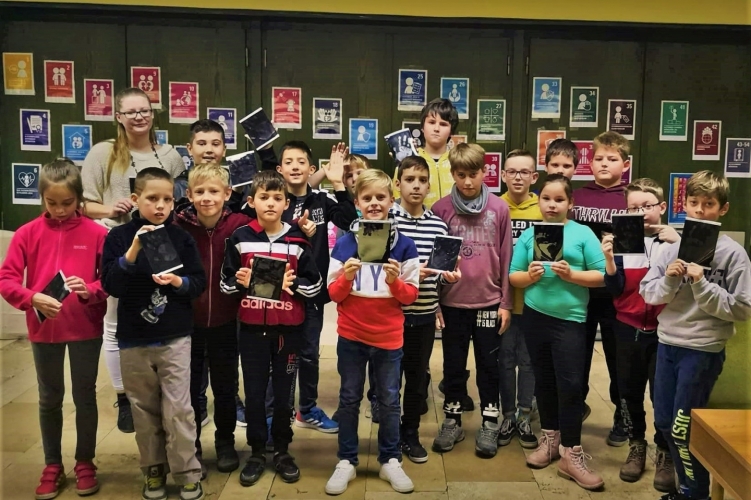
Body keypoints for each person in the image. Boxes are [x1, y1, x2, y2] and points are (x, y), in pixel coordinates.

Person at [0, 159, 109, 500]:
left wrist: (89, 290)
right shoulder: (27, 233)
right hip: (43, 330)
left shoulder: (97, 234)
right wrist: (31, 298)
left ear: (80, 198)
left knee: (84, 395)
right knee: (49, 398)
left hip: (85, 329)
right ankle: (52, 464)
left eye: (67, 202)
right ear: (42, 199)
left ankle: (85, 461)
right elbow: (6, 279)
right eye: (52, 203)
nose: (60, 210)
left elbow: (109, 281)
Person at [640, 170, 751, 500]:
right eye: (694, 203)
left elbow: (743, 308)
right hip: (667, 344)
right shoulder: (670, 248)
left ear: (723, 208)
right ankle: (686, 488)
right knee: (664, 423)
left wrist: (702, 284)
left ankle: (695, 493)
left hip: (703, 349)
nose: (700, 210)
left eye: (709, 204)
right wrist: (670, 279)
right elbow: (649, 294)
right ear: (683, 205)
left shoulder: (733, 253)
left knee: (682, 427)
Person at [82, 87, 185, 434]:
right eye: (131, 112)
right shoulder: (103, 153)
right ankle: (124, 397)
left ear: (152, 114)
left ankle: (160, 390)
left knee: (160, 313)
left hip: (161, 244)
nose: (139, 117)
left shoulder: (170, 155)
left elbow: (176, 199)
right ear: (119, 117)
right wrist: (110, 208)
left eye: (145, 111)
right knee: (115, 322)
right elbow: (84, 204)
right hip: (120, 240)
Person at [101, 167, 207, 500]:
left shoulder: (181, 237)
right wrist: (133, 251)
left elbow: (198, 282)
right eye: (152, 198)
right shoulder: (118, 238)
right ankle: (153, 470)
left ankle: (187, 472)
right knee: (144, 411)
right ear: (136, 199)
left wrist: (178, 282)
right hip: (134, 340)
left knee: (179, 410)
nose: (160, 206)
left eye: (167, 200)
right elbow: (111, 285)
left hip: (175, 338)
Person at [220, 170, 322, 486]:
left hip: (287, 332)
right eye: (264, 197)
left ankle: (281, 449)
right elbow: (225, 285)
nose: (270, 203)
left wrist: (294, 285)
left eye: (277, 198)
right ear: (252, 202)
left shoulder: (298, 241)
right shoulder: (240, 239)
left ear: (286, 204)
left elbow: (316, 285)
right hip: (251, 331)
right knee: (253, 394)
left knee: (282, 394)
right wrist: (240, 283)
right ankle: (256, 452)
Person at [324, 169, 420, 495]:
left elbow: (410, 296)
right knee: (349, 398)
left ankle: (390, 459)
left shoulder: (404, 245)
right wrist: (347, 277)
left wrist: (395, 282)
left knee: (390, 400)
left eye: (381, 197)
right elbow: (334, 294)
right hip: (351, 336)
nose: (374, 203)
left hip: (389, 338)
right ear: (357, 203)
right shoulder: (345, 244)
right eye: (367, 198)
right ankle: (346, 460)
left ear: (392, 201)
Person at [251, 141, 357, 433]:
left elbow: (351, 221)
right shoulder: (273, 200)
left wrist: (338, 183)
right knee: (276, 353)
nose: (295, 167)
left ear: (311, 169)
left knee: (309, 353)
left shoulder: (321, 200)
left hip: (311, 290)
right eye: (289, 162)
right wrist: (298, 230)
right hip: (275, 290)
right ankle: (272, 412)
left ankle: (307, 409)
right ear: (279, 169)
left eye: (301, 162)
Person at [509, 174, 606, 491]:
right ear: (539, 201)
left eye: (559, 199)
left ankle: (571, 453)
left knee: (571, 385)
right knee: (544, 381)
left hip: (571, 320)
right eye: (546, 199)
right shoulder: (530, 235)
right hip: (535, 317)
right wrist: (530, 276)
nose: (552, 205)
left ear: (570, 203)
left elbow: (601, 276)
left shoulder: (582, 233)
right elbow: (513, 276)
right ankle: (550, 440)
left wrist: (572, 274)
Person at [431, 143, 513, 458]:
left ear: (485, 172)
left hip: (489, 302)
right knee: (453, 364)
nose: (467, 181)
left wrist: (505, 302)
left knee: (489, 364)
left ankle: (490, 421)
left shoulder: (499, 208)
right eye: (461, 175)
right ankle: (452, 419)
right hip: (452, 303)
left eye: (473, 174)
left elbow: (506, 257)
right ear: (453, 173)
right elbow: (435, 262)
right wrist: (436, 302)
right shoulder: (441, 209)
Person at [174, 160, 254, 478]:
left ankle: (225, 443)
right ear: (189, 195)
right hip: (187, 323)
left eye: (213, 191)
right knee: (191, 389)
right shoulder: (178, 226)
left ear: (227, 194)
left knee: (225, 387)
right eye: (200, 192)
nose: (206, 198)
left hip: (226, 321)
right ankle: (191, 446)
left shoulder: (240, 225)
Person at [600, 178, 679, 490]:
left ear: (662, 207)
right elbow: (616, 288)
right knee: (628, 391)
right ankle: (636, 445)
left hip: (666, 331)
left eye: (647, 206)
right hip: (627, 327)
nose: (641, 213)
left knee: (663, 395)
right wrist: (609, 260)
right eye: (633, 208)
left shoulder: (676, 240)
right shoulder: (624, 240)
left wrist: (678, 243)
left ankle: (665, 451)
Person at [392, 155, 461, 463]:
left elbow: (440, 273)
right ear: (398, 184)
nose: (416, 186)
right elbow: (377, 268)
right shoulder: (387, 220)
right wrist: (410, 275)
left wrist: (448, 277)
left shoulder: (438, 225)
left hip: (423, 314)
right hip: (390, 316)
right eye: (410, 180)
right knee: (389, 382)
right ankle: (390, 438)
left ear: (429, 186)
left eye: (422, 181)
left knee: (417, 380)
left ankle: (410, 434)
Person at [571, 130, 630, 439]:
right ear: (590, 163)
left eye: (612, 159)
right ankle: (575, 407)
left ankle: (623, 415)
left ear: (625, 164)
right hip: (578, 289)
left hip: (616, 292)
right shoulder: (577, 196)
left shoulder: (630, 198)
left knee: (617, 356)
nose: (604, 163)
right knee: (576, 354)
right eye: (599, 158)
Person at [498, 149, 541, 449]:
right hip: (503, 300)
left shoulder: (543, 209)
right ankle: (507, 415)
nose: (517, 177)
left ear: (534, 177)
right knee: (504, 360)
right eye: (512, 171)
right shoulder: (495, 206)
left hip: (534, 301)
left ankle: (525, 414)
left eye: (524, 172)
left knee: (528, 362)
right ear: (502, 175)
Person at [391, 98, 459, 208]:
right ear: (422, 127)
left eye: (443, 124)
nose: (436, 128)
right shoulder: (409, 159)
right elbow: (397, 201)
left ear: (451, 130)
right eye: (431, 122)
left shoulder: (458, 160)